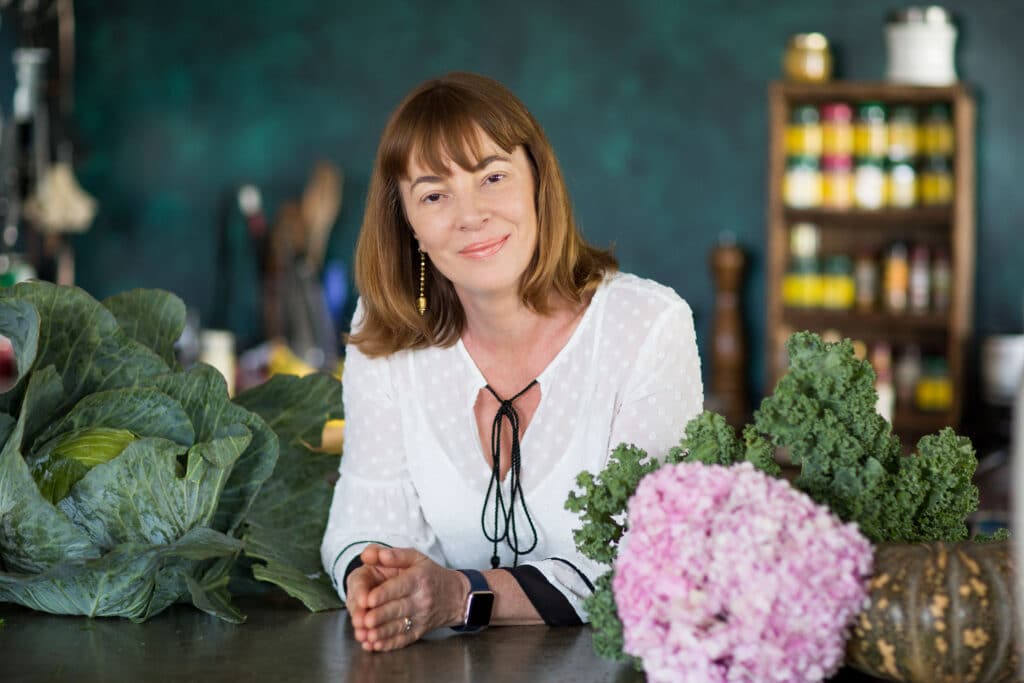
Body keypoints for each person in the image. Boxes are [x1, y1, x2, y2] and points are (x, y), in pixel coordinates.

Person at [320, 71, 703, 652]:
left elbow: (640, 561)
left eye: (492, 177)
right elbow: (362, 523)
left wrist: (457, 597)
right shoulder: (386, 329)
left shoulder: (647, 326)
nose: (469, 215)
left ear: (537, 183)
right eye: (433, 195)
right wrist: (376, 584)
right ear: (409, 226)